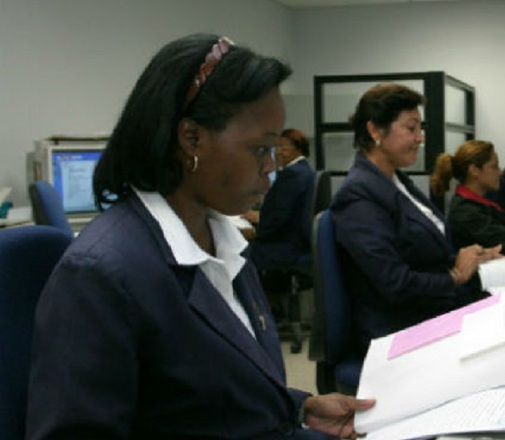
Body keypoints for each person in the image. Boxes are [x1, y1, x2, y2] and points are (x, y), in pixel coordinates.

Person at [26, 34, 373, 440]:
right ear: (191, 138)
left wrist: (297, 407)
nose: (271, 169)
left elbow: (201, 392)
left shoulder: (222, 239)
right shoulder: (101, 275)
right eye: (261, 150)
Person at [329, 84, 501, 358]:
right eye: (411, 128)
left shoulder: (397, 180)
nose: (420, 138)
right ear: (375, 131)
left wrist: (473, 258)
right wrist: (455, 275)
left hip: (433, 309)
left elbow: (424, 251)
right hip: (402, 328)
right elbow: (396, 284)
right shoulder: (358, 196)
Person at [248, 128, 315, 270]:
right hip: (297, 243)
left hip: (283, 247)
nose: (277, 153)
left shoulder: (291, 174)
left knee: (238, 254)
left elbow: (279, 216)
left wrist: (256, 231)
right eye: (276, 148)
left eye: (283, 148)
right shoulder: (306, 171)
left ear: (298, 149)